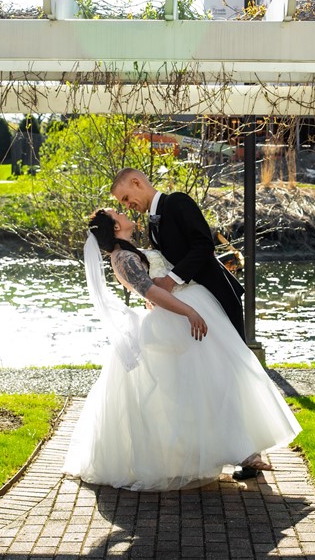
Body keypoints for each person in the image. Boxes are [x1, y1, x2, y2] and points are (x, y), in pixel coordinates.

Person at [62, 209, 301, 491]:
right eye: (118, 212)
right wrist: (189, 311)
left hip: (189, 310)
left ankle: (243, 449)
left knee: (219, 379)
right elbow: (151, 291)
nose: (124, 212)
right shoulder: (123, 258)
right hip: (175, 322)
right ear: (115, 227)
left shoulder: (129, 251)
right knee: (209, 384)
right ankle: (239, 451)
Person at [110, 168, 246, 340]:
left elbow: (204, 245)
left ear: (136, 183)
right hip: (196, 305)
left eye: (126, 198)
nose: (128, 206)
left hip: (218, 297)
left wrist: (169, 281)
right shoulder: (152, 223)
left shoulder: (177, 201)